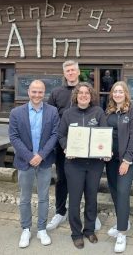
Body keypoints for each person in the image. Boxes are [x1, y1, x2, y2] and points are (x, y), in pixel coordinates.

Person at [46, 61, 102, 232]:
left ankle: (91, 216)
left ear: (78, 72)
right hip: (64, 147)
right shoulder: (56, 93)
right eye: (67, 70)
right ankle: (60, 211)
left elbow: (98, 117)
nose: (70, 73)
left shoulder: (88, 91)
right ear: (64, 73)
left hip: (88, 150)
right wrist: (62, 145)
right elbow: (50, 118)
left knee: (89, 184)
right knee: (62, 180)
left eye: (73, 70)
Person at [9, 80, 60, 248]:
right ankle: (26, 229)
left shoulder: (52, 112)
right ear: (28, 92)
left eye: (40, 92)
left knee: (44, 197)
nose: (37, 95)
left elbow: (54, 135)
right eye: (34, 92)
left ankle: (42, 229)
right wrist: (30, 156)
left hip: (44, 162)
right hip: (25, 162)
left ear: (44, 93)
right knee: (25, 197)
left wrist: (41, 155)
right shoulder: (16, 112)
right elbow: (14, 137)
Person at [58, 82, 109, 249]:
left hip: (94, 164)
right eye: (80, 93)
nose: (84, 96)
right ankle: (76, 233)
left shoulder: (98, 112)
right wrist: (66, 148)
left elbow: (104, 134)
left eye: (87, 93)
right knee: (74, 199)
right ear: (76, 96)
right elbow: (61, 135)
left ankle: (89, 230)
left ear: (91, 96)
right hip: (74, 164)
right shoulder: (68, 114)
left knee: (91, 198)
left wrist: (105, 150)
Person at [104, 81, 133, 253]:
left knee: (123, 191)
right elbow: (104, 133)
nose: (117, 94)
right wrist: (103, 151)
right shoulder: (109, 110)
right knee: (113, 190)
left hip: (127, 159)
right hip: (110, 158)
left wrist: (127, 160)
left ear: (126, 93)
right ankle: (123, 221)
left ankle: (122, 233)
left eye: (120, 91)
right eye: (115, 91)